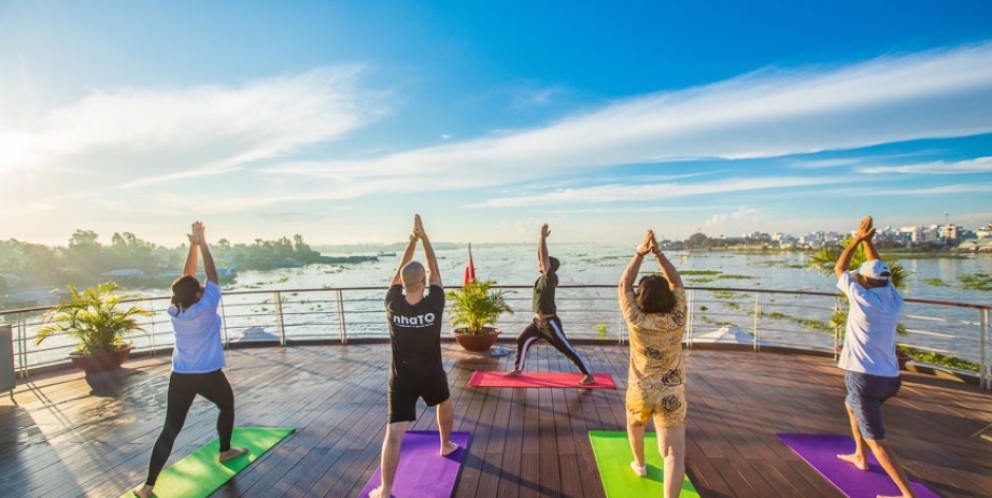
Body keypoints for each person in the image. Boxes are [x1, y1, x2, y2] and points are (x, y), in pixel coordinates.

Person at [135, 222, 247, 498]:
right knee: (227, 406)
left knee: (170, 430)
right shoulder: (206, 307)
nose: (201, 287)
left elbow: (187, 277)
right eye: (199, 288)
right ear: (198, 294)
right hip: (208, 374)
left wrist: (193, 245)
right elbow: (210, 275)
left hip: (181, 376)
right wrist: (203, 243)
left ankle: (148, 485)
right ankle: (225, 451)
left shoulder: (175, 310)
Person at [370, 214, 458, 498]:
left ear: (402, 283)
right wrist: (424, 237)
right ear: (423, 282)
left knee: (394, 433)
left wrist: (411, 239)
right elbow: (434, 268)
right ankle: (445, 444)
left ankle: (385, 490)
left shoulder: (392, 303)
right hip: (431, 373)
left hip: (402, 377)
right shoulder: (434, 301)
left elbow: (399, 272)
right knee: (444, 401)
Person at [834, 216, 917, 498]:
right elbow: (878, 273)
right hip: (890, 378)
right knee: (849, 406)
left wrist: (857, 239)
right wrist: (869, 243)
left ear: (864, 281)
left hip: (864, 379)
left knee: (878, 441)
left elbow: (840, 267)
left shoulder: (862, 298)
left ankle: (907, 495)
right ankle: (859, 455)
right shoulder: (893, 299)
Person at [618, 230, 688, 497]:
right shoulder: (677, 317)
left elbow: (624, 285)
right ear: (669, 299)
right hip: (671, 394)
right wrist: (658, 254)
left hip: (640, 390)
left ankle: (640, 464)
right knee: (673, 454)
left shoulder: (636, 318)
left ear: (641, 298)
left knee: (635, 425)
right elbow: (676, 282)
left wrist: (640, 253)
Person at [505, 223, 595, 385]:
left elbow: (544, 255)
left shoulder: (549, 278)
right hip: (537, 322)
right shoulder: (541, 278)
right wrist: (539, 242)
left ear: (550, 267)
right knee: (521, 340)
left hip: (549, 323)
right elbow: (540, 256)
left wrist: (542, 238)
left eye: (543, 262)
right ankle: (518, 369)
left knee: (567, 349)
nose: (540, 262)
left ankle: (588, 374)